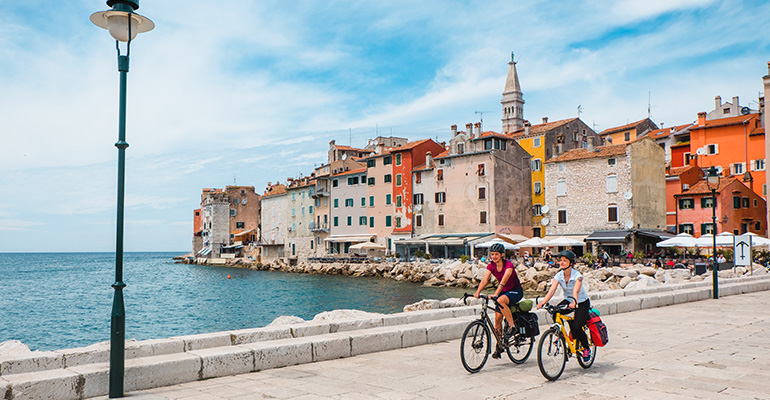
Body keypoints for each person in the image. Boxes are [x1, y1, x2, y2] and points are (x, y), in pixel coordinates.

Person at [536, 250, 592, 362]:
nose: (561, 263)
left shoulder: (578, 276)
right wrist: (543, 302)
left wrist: (574, 302)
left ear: (571, 263)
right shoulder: (559, 275)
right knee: (555, 311)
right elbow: (552, 291)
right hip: (568, 300)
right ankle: (560, 334)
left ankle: (586, 348)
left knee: (577, 326)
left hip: (581, 302)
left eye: (564, 261)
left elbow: (576, 291)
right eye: (560, 260)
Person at [473, 243, 523, 359]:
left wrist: (495, 294)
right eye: (492, 254)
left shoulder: (509, 265)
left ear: (502, 255)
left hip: (515, 291)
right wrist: (477, 292)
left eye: (496, 254)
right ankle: (499, 345)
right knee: (497, 319)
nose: (494, 257)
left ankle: (512, 326)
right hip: (503, 292)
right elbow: (485, 279)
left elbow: (503, 282)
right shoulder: (491, 266)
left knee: (500, 300)